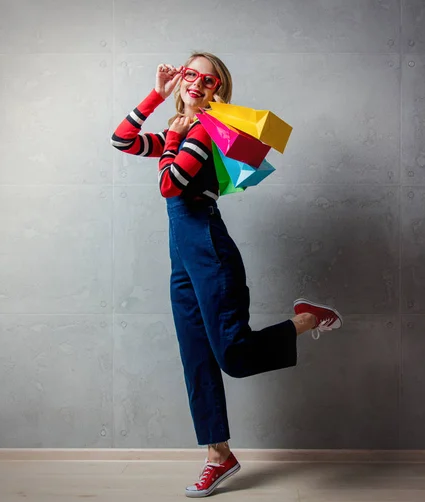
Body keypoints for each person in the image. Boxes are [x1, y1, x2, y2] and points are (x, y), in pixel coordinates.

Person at [111, 52, 343, 498]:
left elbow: (171, 184)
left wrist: (175, 137)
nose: (197, 83)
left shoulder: (202, 132)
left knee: (234, 356)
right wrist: (155, 96)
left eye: (209, 80)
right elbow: (122, 140)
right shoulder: (181, 128)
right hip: (182, 257)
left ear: (218, 90)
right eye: (190, 74)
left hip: (210, 249)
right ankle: (219, 455)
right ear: (181, 78)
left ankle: (308, 318)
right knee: (196, 357)